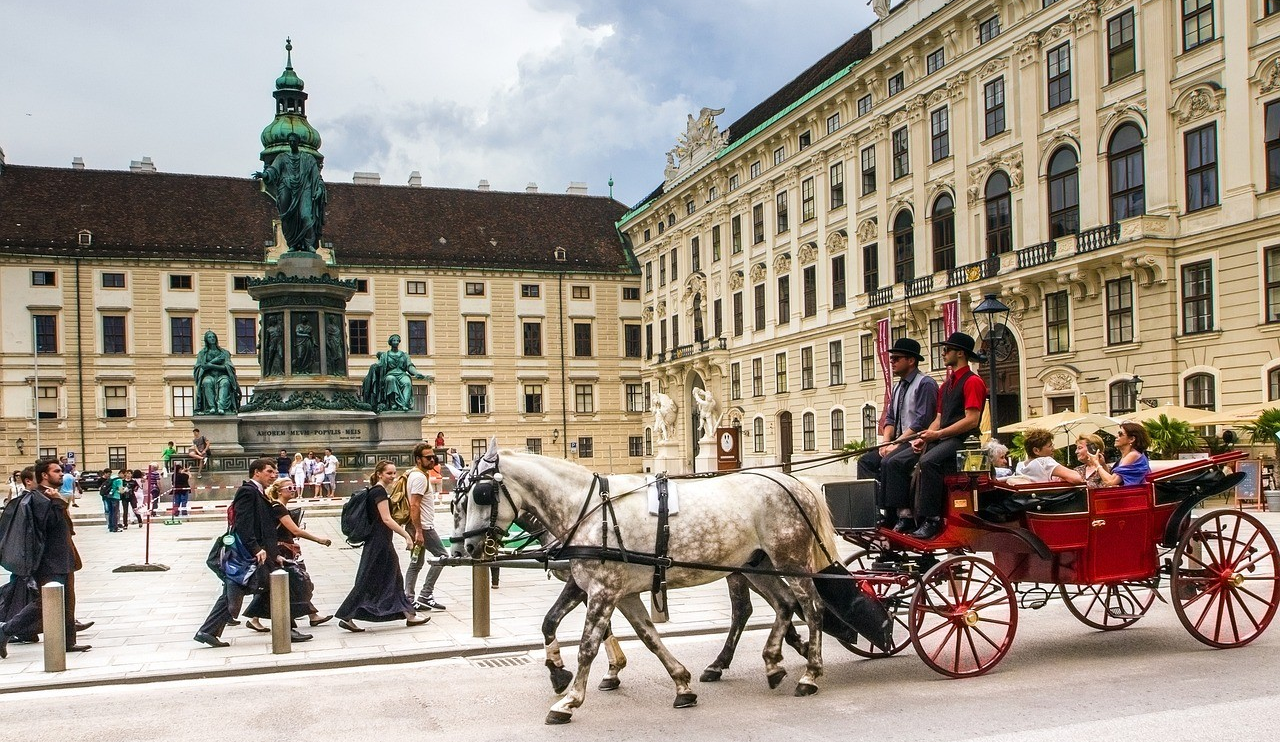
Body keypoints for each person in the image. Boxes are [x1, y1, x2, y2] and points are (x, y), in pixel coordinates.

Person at [195, 458, 306, 648]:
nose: (273, 475)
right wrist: (257, 549)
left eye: (274, 472)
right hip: (251, 555)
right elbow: (244, 525)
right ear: (256, 472)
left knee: (247, 592)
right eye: (269, 472)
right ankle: (286, 630)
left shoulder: (258, 493)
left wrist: (273, 553)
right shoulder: (247, 492)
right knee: (269, 588)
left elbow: (263, 526)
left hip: (261, 553)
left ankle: (208, 630)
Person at [0, 458, 89, 658]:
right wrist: (58, 501)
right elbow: (47, 526)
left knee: (67, 601)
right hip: (49, 561)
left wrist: (59, 501)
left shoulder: (50, 496)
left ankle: (68, 642)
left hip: (63, 557)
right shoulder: (39, 499)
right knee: (45, 603)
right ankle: (5, 631)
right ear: (44, 476)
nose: (61, 474)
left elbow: (66, 527)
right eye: (56, 471)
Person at [905, 332, 989, 540]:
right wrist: (924, 437)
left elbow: (971, 420)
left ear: (960, 353)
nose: (943, 354)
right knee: (909, 461)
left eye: (947, 350)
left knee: (929, 461)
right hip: (946, 438)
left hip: (964, 441)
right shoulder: (946, 385)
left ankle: (932, 519)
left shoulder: (973, 382)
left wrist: (938, 434)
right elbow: (939, 418)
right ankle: (907, 515)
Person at [335, 461, 430, 632]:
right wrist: (407, 535)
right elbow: (386, 519)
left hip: (378, 541)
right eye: (389, 473)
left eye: (394, 473)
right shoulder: (379, 492)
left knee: (392, 578)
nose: (393, 476)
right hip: (380, 542)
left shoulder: (375, 490)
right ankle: (346, 615)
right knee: (369, 580)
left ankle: (409, 614)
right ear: (379, 474)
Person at [860, 337, 939, 529]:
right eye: (892, 358)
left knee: (892, 462)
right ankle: (877, 508)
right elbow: (890, 418)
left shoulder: (925, 384)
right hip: (898, 441)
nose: (892, 362)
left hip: (918, 441)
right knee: (866, 461)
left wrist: (896, 444)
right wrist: (886, 443)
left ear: (911, 360)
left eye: (896, 358)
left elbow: (922, 420)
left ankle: (903, 514)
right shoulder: (897, 387)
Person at [242, 478, 332, 633]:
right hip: (282, 551)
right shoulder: (278, 507)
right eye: (289, 487)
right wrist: (319, 540)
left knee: (283, 585)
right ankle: (309, 616)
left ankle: (255, 618)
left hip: (282, 550)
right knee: (298, 582)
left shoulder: (278, 506)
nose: (293, 489)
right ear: (279, 491)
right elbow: (296, 531)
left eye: (294, 487)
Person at [252, 132, 327, 253]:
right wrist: (264, 174)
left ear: (298, 142)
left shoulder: (308, 158)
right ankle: (293, 243)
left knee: (306, 216)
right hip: (286, 188)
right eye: (290, 141)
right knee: (287, 218)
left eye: (294, 141)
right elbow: (273, 169)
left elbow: (316, 177)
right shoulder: (282, 157)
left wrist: (319, 188)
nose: (292, 143)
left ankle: (309, 244)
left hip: (304, 189)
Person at [405, 445, 448, 611]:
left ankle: (410, 597)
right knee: (442, 556)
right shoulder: (420, 478)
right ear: (418, 459)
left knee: (416, 562)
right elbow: (414, 505)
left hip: (417, 526)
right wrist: (419, 531)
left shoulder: (415, 474)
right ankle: (425, 594)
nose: (432, 460)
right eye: (428, 457)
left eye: (433, 457)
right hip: (423, 527)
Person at [1009, 429, 1084, 484]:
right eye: (1050, 446)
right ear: (1036, 450)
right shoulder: (1045, 462)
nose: (1053, 449)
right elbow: (1077, 478)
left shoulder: (1020, 466)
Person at [1089, 421, 1152, 487]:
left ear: (1131, 439)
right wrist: (1103, 464)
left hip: (1134, 495)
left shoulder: (1133, 455)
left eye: (1120, 434)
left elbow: (1111, 481)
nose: (1116, 436)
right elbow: (1113, 478)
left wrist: (1097, 463)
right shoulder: (1128, 456)